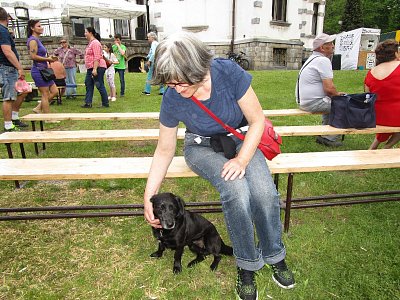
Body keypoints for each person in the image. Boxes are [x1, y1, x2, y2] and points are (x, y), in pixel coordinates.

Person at [143, 32, 295, 300]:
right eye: (170, 83)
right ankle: (247, 264)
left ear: (197, 68)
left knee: (263, 192)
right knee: (236, 191)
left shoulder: (228, 73)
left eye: (179, 81)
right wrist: (148, 197)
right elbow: (165, 149)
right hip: (200, 146)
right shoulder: (172, 96)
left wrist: (242, 159)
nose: (175, 88)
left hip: (240, 139)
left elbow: (257, 121)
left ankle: (274, 254)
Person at [295, 33, 346, 147]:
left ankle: (325, 134)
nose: (333, 46)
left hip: (305, 101)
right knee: (343, 105)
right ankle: (330, 138)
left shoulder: (313, 59)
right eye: (330, 44)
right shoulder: (323, 61)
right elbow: (329, 89)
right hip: (312, 103)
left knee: (333, 101)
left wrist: (336, 95)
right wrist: (338, 95)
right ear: (322, 48)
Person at [364, 39, 400, 149]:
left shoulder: (371, 72)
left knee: (390, 116)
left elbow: (367, 94)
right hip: (396, 116)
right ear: (395, 53)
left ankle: (373, 148)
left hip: (376, 116)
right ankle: (386, 148)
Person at [0, 8, 28, 131]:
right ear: (7, 18)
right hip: (7, 68)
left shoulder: (4, 31)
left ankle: (14, 117)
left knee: (23, 91)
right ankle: (8, 125)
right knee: (9, 97)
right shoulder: (2, 31)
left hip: (9, 68)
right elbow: (7, 51)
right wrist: (19, 67)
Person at [27, 19, 58, 114]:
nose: (41, 28)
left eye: (41, 26)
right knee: (45, 94)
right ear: (32, 28)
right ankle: (48, 118)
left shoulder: (37, 40)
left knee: (55, 91)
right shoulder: (32, 40)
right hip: (38, 70)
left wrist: (49, 58)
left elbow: (40, 55)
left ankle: (38, 108)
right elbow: (33, 56)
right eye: (38, 26)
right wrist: (48, 59)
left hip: (44, 70)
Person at [81, 27, 109, 108]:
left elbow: (97, 57)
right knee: (88, 83)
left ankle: (105, 103)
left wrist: (95, 69)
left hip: (97, 67)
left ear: (91, 33)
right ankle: (88, 102)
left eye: (86, 32)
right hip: (90, 68)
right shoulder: (90, 43)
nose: (84, 34)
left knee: (99, 84)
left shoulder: (95, 43)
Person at [112, 33, 127, 97]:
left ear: (120, 40)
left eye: (118, 40)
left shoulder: (123, 46)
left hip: (121, 66)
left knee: (121, 79)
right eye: (115, 40)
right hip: (114, 65)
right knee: (111, 79)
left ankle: (122, 93)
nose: (116, 41)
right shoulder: (113, 47)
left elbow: (122, 53)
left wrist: (118, 46)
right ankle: (113, 91)